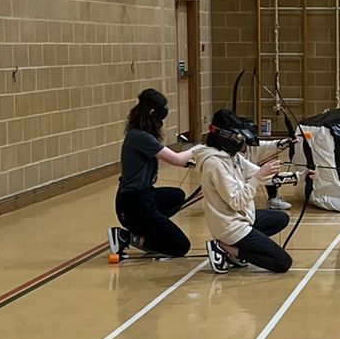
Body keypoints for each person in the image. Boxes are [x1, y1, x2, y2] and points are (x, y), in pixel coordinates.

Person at [192, 109, 293, 274]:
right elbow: (237, 201)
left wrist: (299, 177)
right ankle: (227, 248)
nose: (240, 141)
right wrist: (258, 177)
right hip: (229, 226)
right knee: (282, 262)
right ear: (225, 136)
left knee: (280, 219)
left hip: (240, 217)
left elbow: (260, 174)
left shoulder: (231, 156)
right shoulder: (214, 164)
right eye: (237, 137)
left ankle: (233, 247)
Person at [110, 89, 195, 260]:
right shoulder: (139, 136)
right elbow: (177, 159)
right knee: (180, 246)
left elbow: (169, 157)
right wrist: (200, 148)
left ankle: (151, 230)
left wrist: (189, 161)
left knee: (176, 196)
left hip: (145, 195)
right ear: (152, 113)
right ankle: (127, 237)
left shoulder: (141, 134)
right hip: (133, 203)